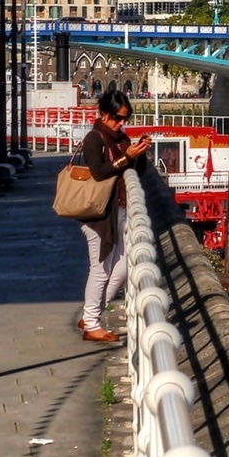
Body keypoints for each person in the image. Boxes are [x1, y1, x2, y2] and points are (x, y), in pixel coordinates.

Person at [75, 89, 150, 343]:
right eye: (117, 117)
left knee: (124, 267)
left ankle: (90, 314)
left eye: (125, 118)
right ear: (104, 113)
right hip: (98, 215)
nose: (121, 123)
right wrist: (125, 157)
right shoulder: (93, 138)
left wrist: (139, 153)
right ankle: (92, 325)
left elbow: (136, 171)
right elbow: (99, 172)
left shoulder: (121, 139)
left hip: (119, 210)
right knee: (100, 270)